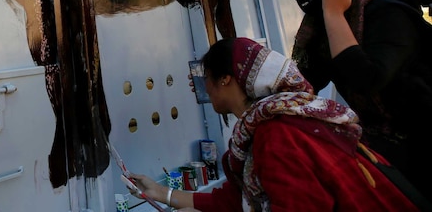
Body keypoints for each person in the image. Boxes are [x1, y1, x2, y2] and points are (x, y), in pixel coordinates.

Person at [127, 37, 420, 211]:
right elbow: (239, 198)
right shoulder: (282, 117)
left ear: (226, 79)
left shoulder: (277, 134)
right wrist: (160, 193)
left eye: (206, 78)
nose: (200, 87)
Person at [288, 0, 432, 199]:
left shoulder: (388, 14)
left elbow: (367, 79)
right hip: (389, 146)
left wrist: (334, 14)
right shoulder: (322, 30)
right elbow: (306, 82)